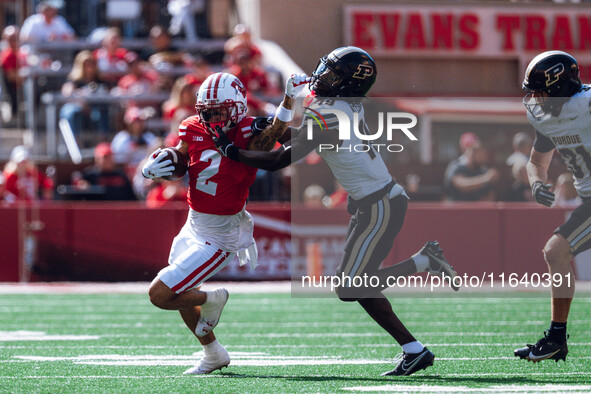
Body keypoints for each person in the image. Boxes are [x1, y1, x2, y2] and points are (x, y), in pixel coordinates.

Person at [212, 46, 459, 376]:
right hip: (374, 202)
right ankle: (414, 344)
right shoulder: (341, 106)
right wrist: (268, 125)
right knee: (353, 285)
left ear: (346, 84)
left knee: (352, 286)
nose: (321, 77)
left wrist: (231, 150)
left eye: (331, 74)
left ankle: (422, 282)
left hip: (380, 204)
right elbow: (307, 138)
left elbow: (278, 160)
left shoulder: (329, 111)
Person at [141, 71, 306, 374]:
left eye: (220, 111)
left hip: (222, 233)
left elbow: (288, 138)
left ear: (238, 107)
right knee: (181, 293)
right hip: (194, 223)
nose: (213, 118)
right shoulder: (192, 126)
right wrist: (161, 164)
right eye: (208, 111)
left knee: (161, 294)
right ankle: (213, 352)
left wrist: (287, 101)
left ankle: (215, 299)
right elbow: (181, 163)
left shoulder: (248, 130)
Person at [514, 50, 591, 363]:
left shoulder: (586, 105)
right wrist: (535, 182)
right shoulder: (547, 116)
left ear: (559, 87)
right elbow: (536, 162)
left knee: (555, 251)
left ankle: (557, 337)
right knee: (555, 253)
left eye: (539, 90)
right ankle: (557, 338)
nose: (534, 98)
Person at [59, 50, 111, 136]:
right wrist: (81, 96)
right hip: (79, 109)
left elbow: (107, 92)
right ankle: (75, 141)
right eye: (86, 64)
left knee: (101, 112)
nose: (89, 67)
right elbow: (67, 93)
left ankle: (102, 141)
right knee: (72, 112)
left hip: (95, 109)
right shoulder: (74, 80)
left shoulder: (100, 80)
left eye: (91, 63)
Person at [0, 26, 26, 119]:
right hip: (16, 90)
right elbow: (11, 76)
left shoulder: (22, 52)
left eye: (16, 38)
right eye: (11, 39)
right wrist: (27, 76)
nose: (15, 41)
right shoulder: (7, 55)